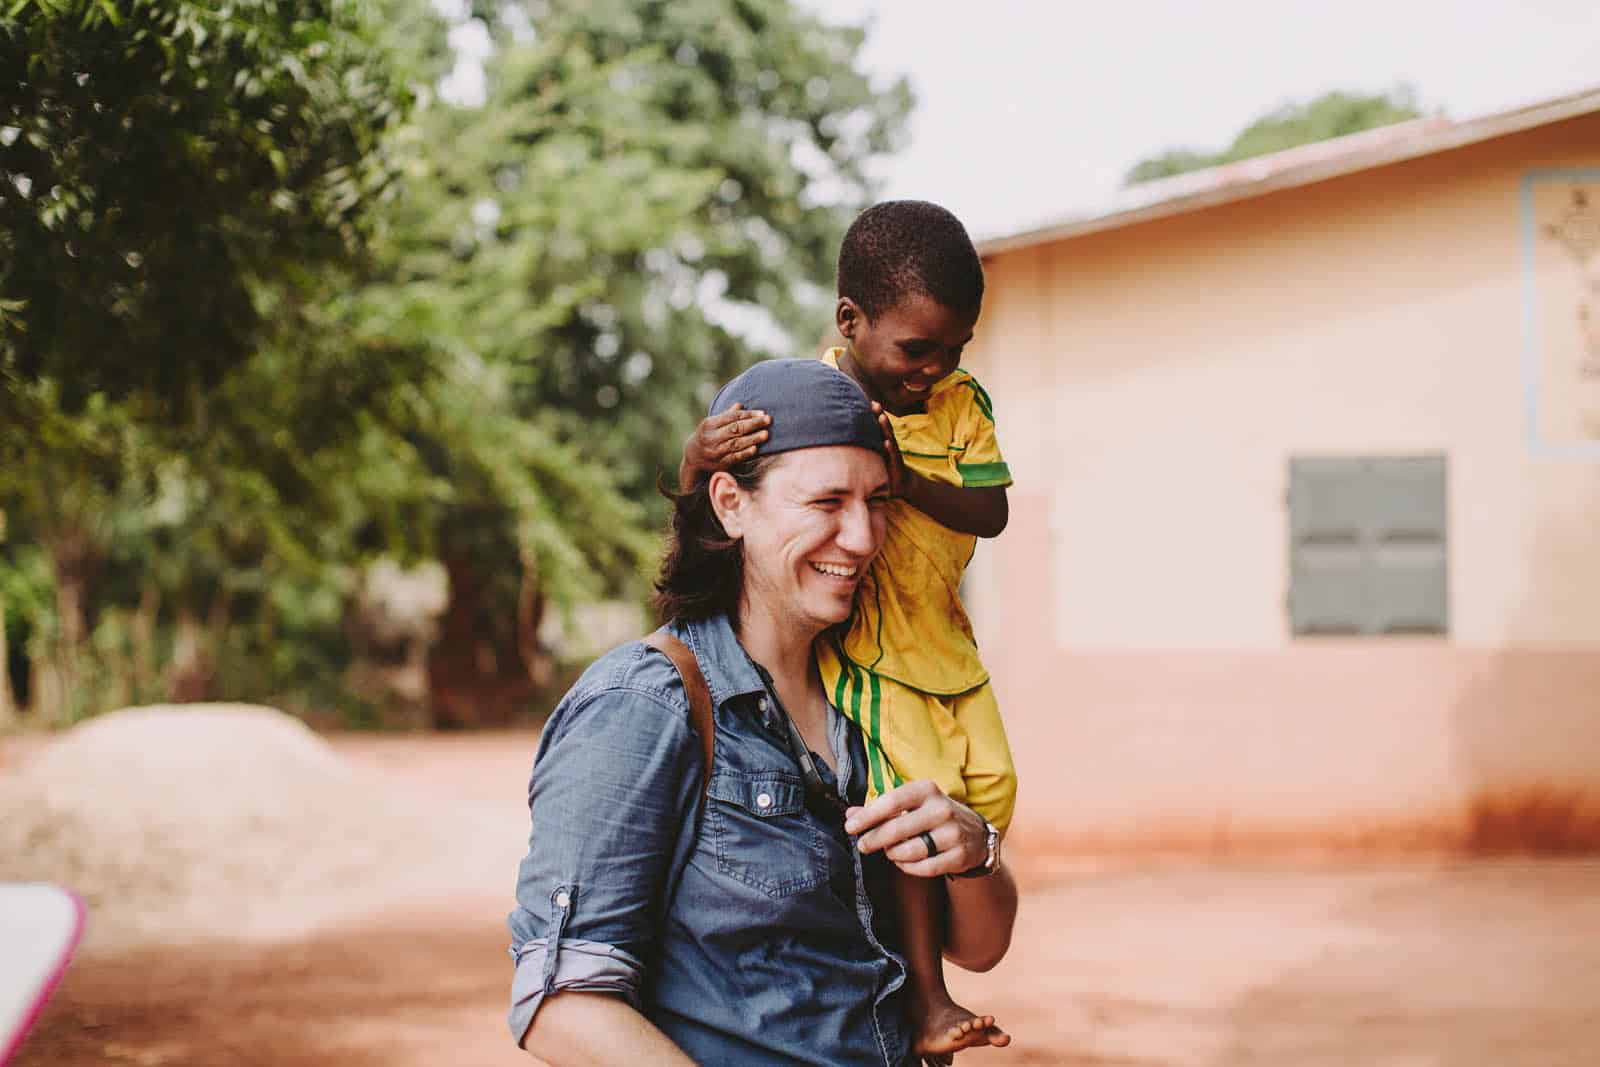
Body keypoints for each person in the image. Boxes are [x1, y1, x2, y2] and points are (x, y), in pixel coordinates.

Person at [509, 358, 1017, 1065]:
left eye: (875, 501)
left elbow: (982, 947)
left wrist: (977, 850)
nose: (864, 537)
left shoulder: (876, 699)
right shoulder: (646, 703)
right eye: (827, 502)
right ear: (730, 503)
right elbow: (561, 1003)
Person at [680, 201, 1016, 1058]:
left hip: (945, 647)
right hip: (873, 654)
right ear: (850, 322)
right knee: (905, 799)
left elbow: (994, 509)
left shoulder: (956, 403)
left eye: (955, 349)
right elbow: (718, 522)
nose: (935, 367)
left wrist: (910, 477)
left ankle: (929, 987)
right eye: (828, 501)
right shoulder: (810, 402)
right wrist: (694, 462)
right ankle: (929, 1001)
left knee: (974, 810)